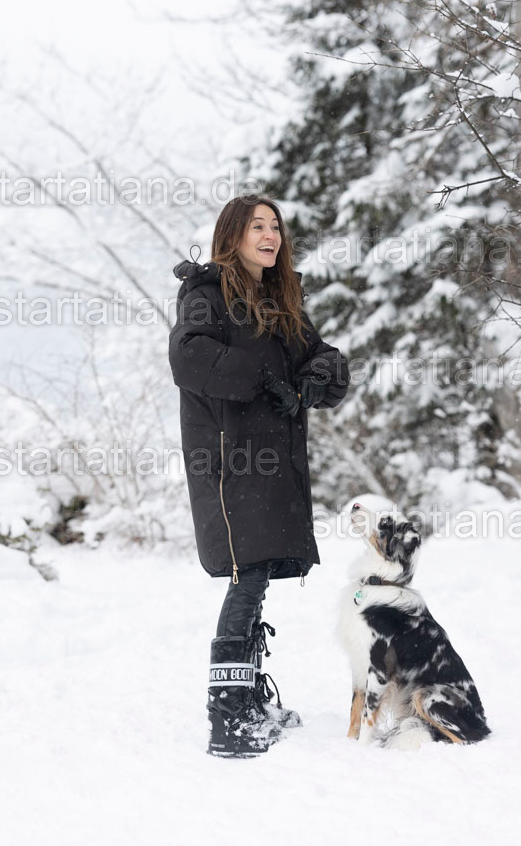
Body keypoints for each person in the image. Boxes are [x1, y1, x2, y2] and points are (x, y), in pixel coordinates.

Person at [168, 195, 351, 757]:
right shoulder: (206, 294)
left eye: (275, 227)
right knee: (246, 572)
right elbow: (188, 356)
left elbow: (325, 356)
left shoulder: (279, 300)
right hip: (231, 461)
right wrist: (263, 376)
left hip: (275, 463)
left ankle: (246, 699)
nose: (270, 236)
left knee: (259, 569)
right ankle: (228, 719)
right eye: (257, 227)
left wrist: (308, 382)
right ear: (233, 235)